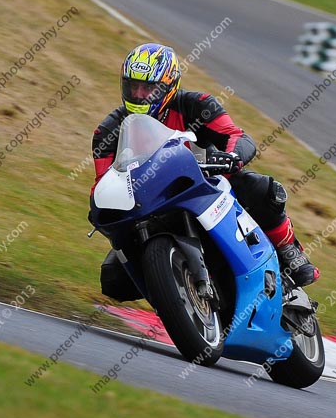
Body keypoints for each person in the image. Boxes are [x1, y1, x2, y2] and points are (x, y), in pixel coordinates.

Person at [90, 42, 319, 288]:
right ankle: (173, 296)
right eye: (132, 86)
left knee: (262, 189)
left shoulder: (196, 105)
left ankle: (290, 252)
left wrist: (231, 157)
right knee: (113, 278)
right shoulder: (108, 131)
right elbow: (103, 181)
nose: (138, 95)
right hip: (150, 203)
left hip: (204, 184)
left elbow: (236, 136)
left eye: (148, 88)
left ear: (169, 85)